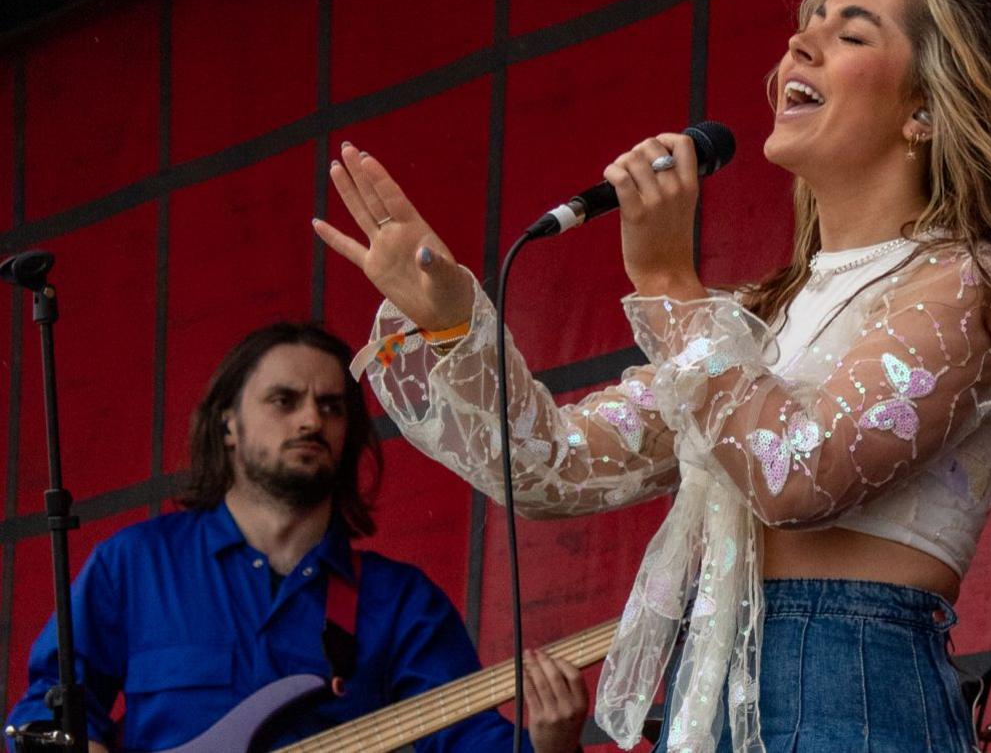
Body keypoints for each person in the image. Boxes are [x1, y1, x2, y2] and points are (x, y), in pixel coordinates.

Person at [314, 0, 991, 753]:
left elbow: (802, 472)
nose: (800, 40)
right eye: (809, 23)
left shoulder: (970, 282)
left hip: (851, 682)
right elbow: (556, 468)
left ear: (926, 111)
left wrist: (665, 277)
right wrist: (454, 321)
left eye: (850, 32)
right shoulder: (757, 319)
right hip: (718, 676)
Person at [6, 323, 589, 753]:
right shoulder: (135, 566)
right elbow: (44, 714)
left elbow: (472, 744)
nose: (311, 421)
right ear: (228, 424)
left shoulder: (400, 602)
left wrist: (550, 745)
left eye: (331, 407)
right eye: (284, 401)